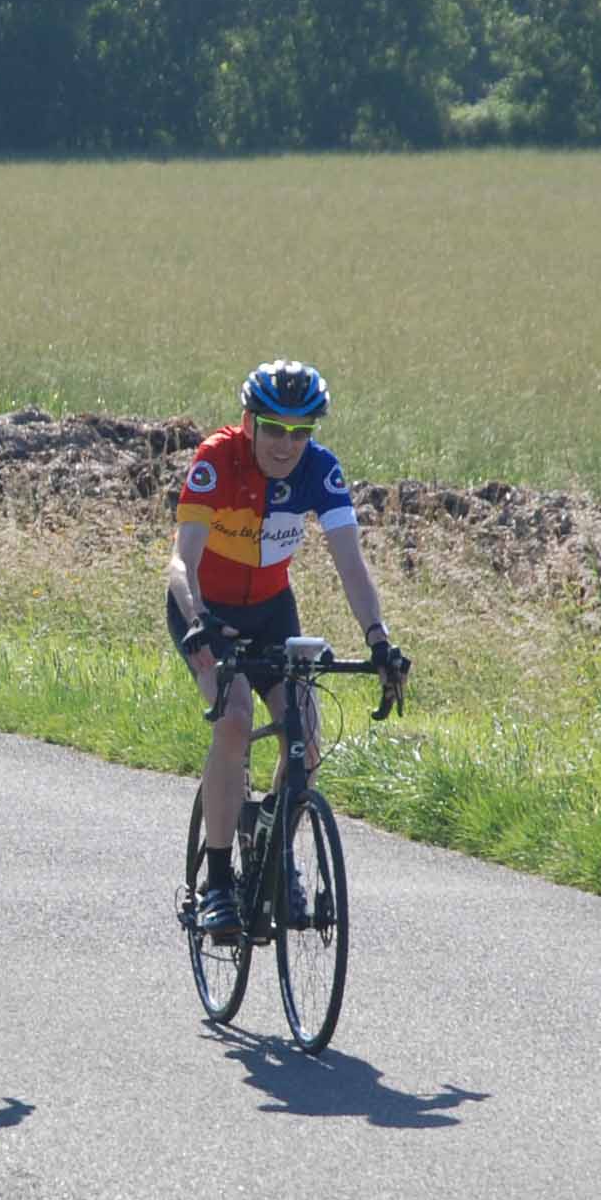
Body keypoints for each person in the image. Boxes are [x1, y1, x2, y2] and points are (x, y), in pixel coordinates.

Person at [168, 359, 406, 935]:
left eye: (301, 432)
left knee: (306, 734)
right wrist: (198, 619)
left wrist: (379, 640)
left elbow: (352, 564)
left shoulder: (319, 471)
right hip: (208, 612)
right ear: (249, 421)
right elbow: (181, 562)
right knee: (235, 718)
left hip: (272, 612)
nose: (286, 444)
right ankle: (218, 883)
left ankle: (274, 854)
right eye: (274, 428)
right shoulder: (215, 462)